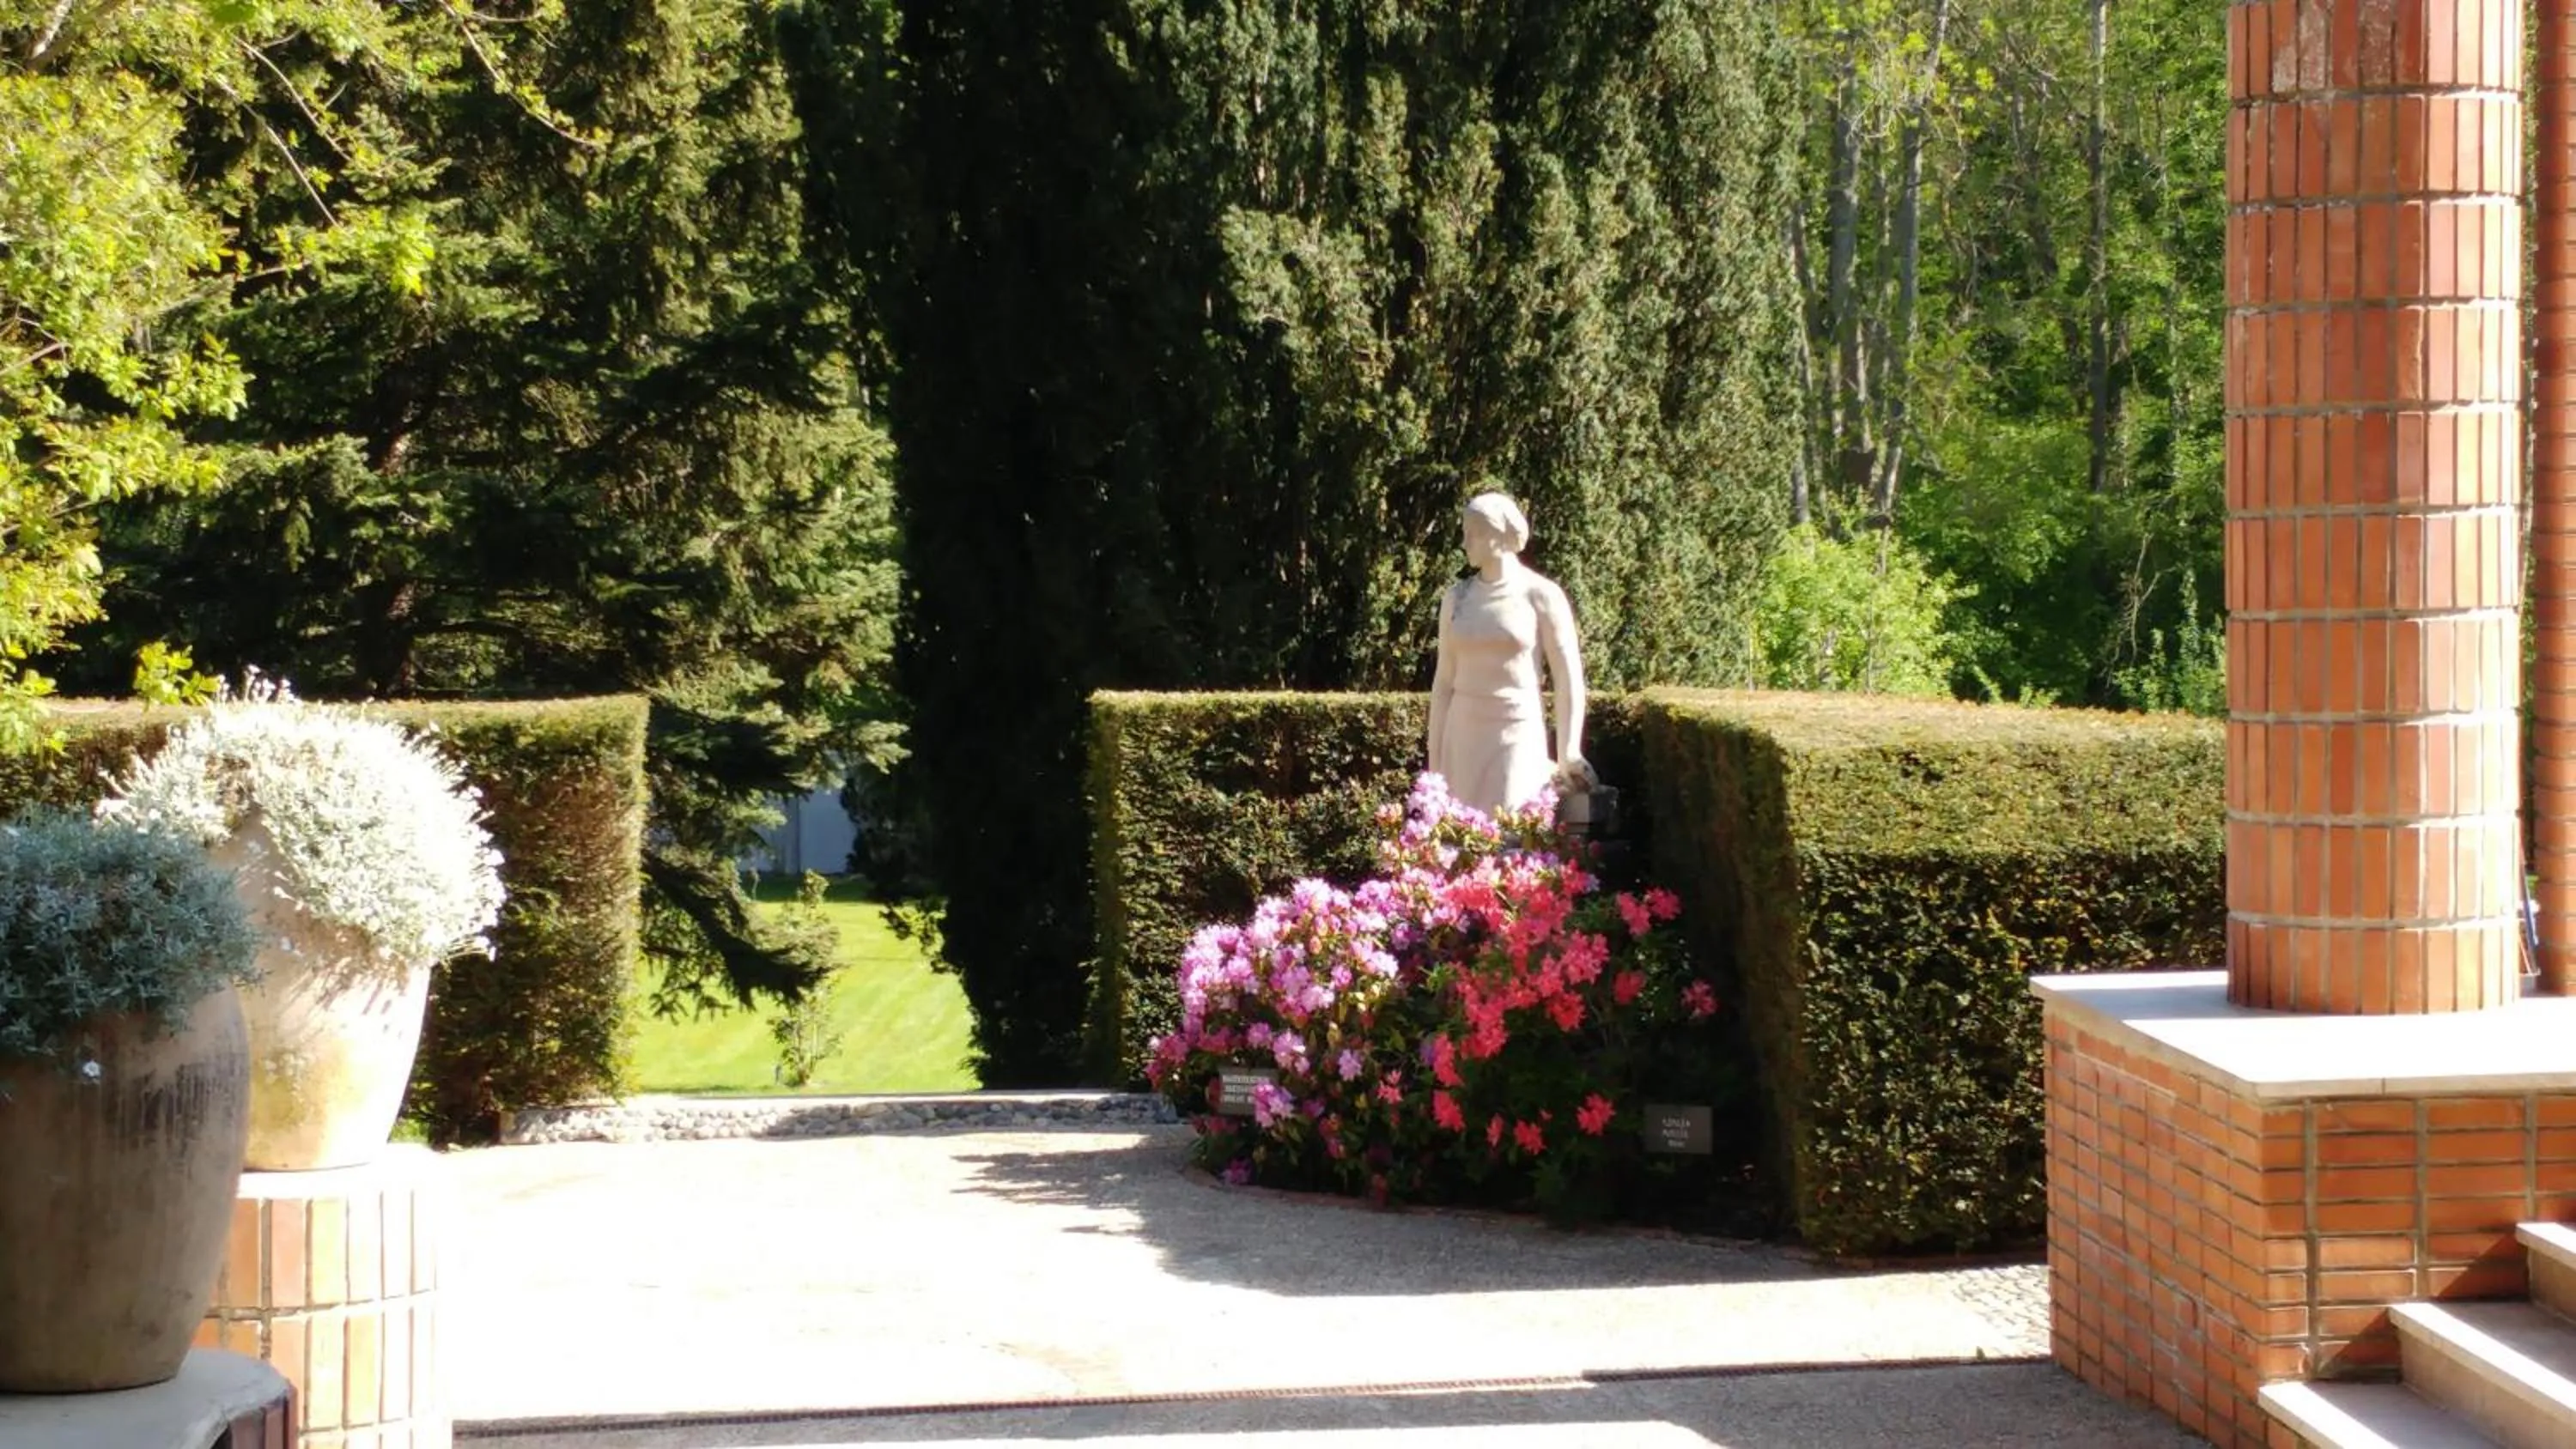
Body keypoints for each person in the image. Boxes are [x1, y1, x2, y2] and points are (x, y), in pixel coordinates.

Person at [1426, 492, 1592, 815]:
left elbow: (1567, 674)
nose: (1465, 542)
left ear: (1497, 534)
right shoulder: (1456, 599)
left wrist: (1568, 750)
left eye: (1472, 533)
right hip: (1462, 733)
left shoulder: (1541, 595)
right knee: (1458, 838)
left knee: (1512, 832)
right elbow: (1444, 682)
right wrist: (1435, 763)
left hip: (1515, 728)